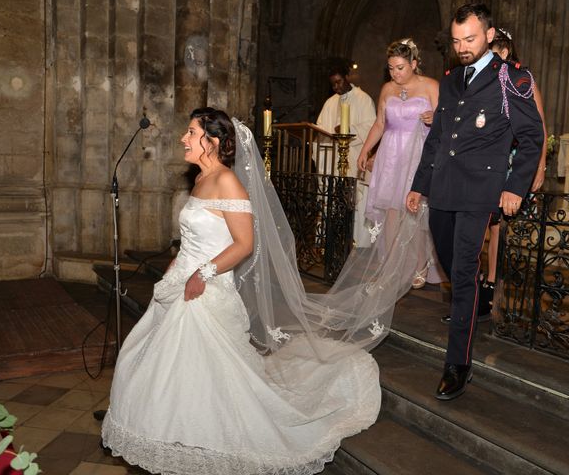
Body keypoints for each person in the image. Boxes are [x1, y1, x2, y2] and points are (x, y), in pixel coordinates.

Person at [102, 108, 381, 474]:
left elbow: (244, 243)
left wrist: (203, 272)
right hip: (183, 280)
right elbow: (197, 236)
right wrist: (178, 264)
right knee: (155, 362)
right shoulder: (202, 179)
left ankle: (197, 435)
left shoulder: (227, 182)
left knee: (193, 368)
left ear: (212, 142)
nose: (183, 139)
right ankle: (172, 432)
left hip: (206, 288)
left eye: (191, 132)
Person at [406, 4, 544, 400]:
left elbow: (532, 136)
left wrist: (516, 187)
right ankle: (476, 292)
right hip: (444, 187)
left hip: (481, 190)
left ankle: (457, 363)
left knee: (462, 273)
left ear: (488, 35)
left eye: (470, 39)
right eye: (456, 40)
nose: (462, 47)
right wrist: (420, 184)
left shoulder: (510, 79)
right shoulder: (451, 81)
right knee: (452, 265)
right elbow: (437, 139)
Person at [356, 38, 444, 289]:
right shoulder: (387, 89)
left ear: (414, 64)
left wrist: (434, 119)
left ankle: (420, 265)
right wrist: (365, 149)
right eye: (391, 68)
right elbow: (380, 123)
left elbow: (448, 121)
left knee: (415, 212)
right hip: (391, 156)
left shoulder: (431, 86)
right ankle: (392, 265)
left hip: (417, 154)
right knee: (392, 212)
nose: (395, 73)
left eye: (400, 67)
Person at [475, 27, 549, 321]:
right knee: (479, 225)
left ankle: (494, 288)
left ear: (504, 52)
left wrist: (538, 167)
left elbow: (538, 127)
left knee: (499, 228)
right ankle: (475, 292)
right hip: (487, 160)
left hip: (513, 161)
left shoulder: (522, 79)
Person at [316, 63, 376, 246]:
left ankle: (357, 242)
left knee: (355, 201)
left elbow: (372, 126)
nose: (336, 87)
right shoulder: (330, 102)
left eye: (339, 82)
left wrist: (347, 130)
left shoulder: (363, 99)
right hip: (333, 160)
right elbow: (320, 128)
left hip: (354, 157)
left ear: (347, 77)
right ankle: (331, 241)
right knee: (332, 199)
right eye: (333, 84)